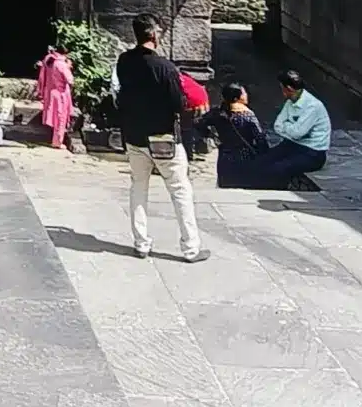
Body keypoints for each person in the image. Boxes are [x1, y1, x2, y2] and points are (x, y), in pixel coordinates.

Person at [113, 15, 207, 262]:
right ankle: (190, 247)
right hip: (163, 135)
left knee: (138, 187)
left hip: (134, 134)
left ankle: (141, 243)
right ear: (154, 34)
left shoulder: (124, 61)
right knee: (179, 189)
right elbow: (178, 103)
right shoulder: (165, 67)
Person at [212, 80, 323, 193]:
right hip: (245, 159)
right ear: (237, 98)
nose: (246, 95)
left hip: (225, 161)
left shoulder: (216, 113)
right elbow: (260, 139)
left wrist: (214, 138)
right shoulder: (248, 115)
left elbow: (199, 124)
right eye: (244, 93)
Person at [269, 69, 331, 186]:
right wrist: (291, 129)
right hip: (292, 144)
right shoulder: (290, 102)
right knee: (264, 159)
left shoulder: (312, 106)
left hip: (312, 152)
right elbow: (277, 125)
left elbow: (298, 133)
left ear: (289, 89)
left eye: (282, 88)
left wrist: (286, 126)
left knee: (279, 168)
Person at [34, 42, 75, 149]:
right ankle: (57, 141)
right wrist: (69, 67)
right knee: (61, 117)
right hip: (60, 93)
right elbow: (70, 80)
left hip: (50, 92)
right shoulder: (61, 65)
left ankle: (55, 139)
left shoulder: (49, 60)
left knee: (55, 116)